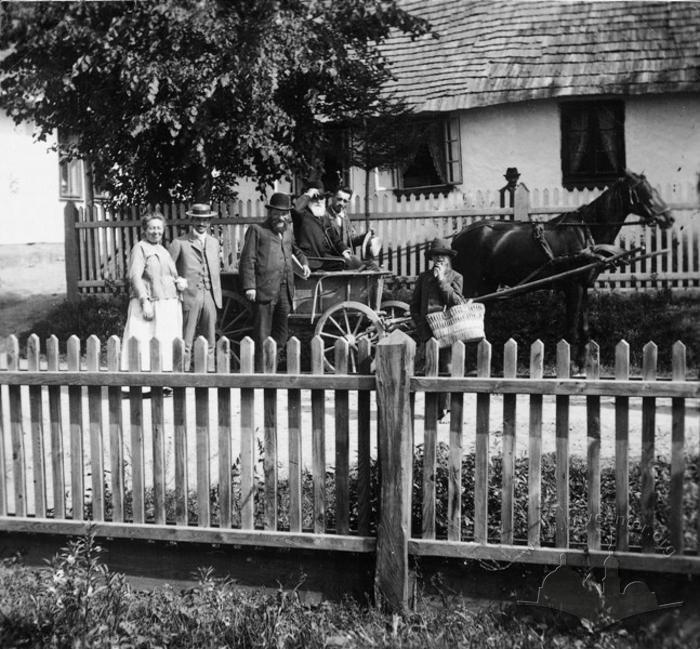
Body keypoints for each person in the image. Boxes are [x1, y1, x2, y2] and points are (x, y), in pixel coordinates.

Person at [239, 192, 311, 371]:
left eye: (284, 213)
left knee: (281, 333)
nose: (280, 216)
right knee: (262, 333)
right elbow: (248, 259)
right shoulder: (257, 230)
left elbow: (296, 250)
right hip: (264, 289)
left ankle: (272, 368)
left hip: (285, 291)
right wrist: (250, 286)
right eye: (276, 213)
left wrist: (304, 263)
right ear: (270, 213)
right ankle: (260, 373)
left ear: (288, 215)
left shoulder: (287, 232)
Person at [121, 212, 187, 371]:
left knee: (165, 341)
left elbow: (166, 274)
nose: (156, 232)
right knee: (144, 341)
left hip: (168, 303)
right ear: (144, 230)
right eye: (152, 228)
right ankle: (141, 384)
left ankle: (165, 382)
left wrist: (179, 281)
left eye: (159, 228)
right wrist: (144, 302)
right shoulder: (140, 248)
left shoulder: (163, 250)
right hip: (150, 303)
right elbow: (135, 277)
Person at [410, 237, 465, 421]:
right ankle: (433, 409)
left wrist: (442, 280)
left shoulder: (456, 277)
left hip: (448, 330)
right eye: (436, 256)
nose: (440, 259)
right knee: (430, 369)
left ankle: (446, 409)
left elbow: (457, 302)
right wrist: (422, 329)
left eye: (443, 256)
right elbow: (414, 306)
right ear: (432, 258)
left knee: (447, 368)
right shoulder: (424, 278)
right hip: (428, 332)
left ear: (448, 258)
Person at [168, 203, 222, 371]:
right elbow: (168, 270)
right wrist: (178, 281)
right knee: (187, 338)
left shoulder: (214, 242)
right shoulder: (179, 242)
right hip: (190, 295)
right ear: (191, 220)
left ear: (210, 222)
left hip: (210, 295)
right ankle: (182, 371)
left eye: (205, 220)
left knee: (210, 337)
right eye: (198, 219)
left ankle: (209, 372)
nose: (201, 223)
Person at [292, 181, 361, 271]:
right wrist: (309, 194)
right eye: (314, 198)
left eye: (321, 197)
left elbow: (335, 238)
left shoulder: (323, 217)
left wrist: (345, 253)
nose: (318, 200)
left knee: (356, 263)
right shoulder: (302, 215)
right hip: (310, 261)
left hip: (325, 259)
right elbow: (296, 209)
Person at [324, 185, 382, 266]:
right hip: (331, 259)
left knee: (371, 266)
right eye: (339, 199)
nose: (341, 203)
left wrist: (366, 235)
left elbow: (351, 240)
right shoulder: (324, 216)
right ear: (333, 198)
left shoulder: (344, 216)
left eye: (345, 201)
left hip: (345, 258)